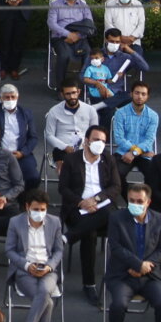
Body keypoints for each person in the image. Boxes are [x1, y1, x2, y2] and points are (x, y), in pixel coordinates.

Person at [104, 184, 161, 322]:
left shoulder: (159, 219)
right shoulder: (116, 218)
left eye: (139, 201)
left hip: (149, 276)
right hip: (123, 275)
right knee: (118, 304)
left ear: (148, 202)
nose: (135, 204)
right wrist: (136, 264)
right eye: (131, 200)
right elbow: (115, 247)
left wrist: (146, 266)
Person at [61, 126, 122, 302]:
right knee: (89, 233)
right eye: (96, 139)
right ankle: (89, 285)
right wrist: (82, 202)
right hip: (77, 207)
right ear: (87, 141)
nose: (100, 144)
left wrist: (96, 199)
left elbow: (116, 187)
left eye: (103, 141)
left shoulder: (108, 159)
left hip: (101, 205)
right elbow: (63, 188)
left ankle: (68, 237)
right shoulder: (72, 160)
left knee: (109, 215)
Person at [5, 190, 62, 322]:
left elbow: (59, 251)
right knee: (48, 303)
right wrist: (26, 265)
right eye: (36, 209)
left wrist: (49, 266)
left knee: (45, 291)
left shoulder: (55, 222)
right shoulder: (15, 222)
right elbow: (10, 250)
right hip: (25, 271)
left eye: (43, 209)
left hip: (48, 270)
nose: (40, 212)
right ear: (27, 207)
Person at [0, 84, 39, 189]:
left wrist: (22, 153)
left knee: (33, 178)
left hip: (21, 154)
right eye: (7, 97)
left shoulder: (26, 113)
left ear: (17, 97)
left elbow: (33, 137)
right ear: (1, 98)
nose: (10, 99)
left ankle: (24, 201)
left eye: (13, 97)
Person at [111, 81, 159, 183]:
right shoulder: (120, 113)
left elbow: (149, 140)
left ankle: (147, 199)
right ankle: (125, 198)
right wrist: (136, 151)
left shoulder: (153, 116)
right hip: (124, 152)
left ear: (147, 97)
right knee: (117, 174)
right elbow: (119, 138)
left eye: (143, 94)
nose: (140, 97)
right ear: (131, 94)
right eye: (137, 93)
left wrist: (134, 153)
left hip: (144, 153)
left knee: (154, 174)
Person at [43, 81, 99, 164]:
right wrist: (65, 147)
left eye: (74, 93)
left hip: (85, 147)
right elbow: (49, 135)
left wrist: (87, 146)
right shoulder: (54, 111)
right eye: (68, 94)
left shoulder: (90, 110)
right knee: (62, 167)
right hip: (62, 148)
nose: (72, 96)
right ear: (62, 95)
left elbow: (95, 133)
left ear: (78, 92)